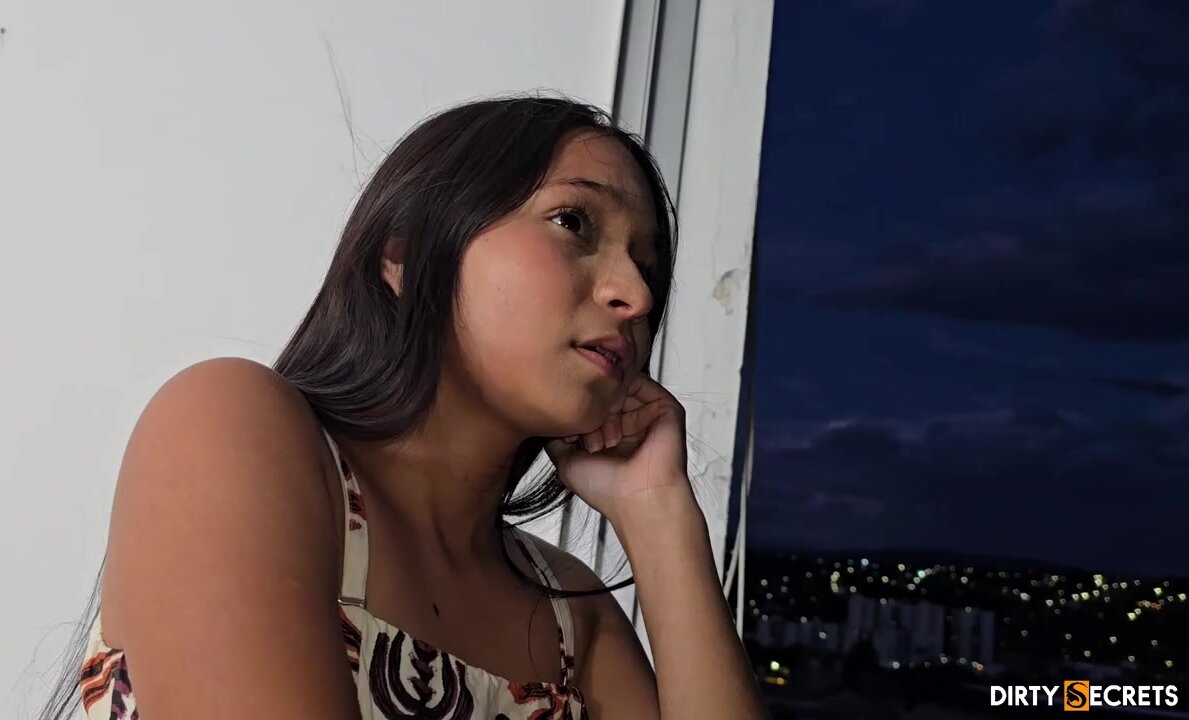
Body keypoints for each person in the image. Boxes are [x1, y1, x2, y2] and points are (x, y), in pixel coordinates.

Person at [52, 95, 767, 719]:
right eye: (573, 222)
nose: (635, 296)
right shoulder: (228, 426)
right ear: (407, 254)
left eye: (647, 267)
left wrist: (660, 516)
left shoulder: (572, 621)